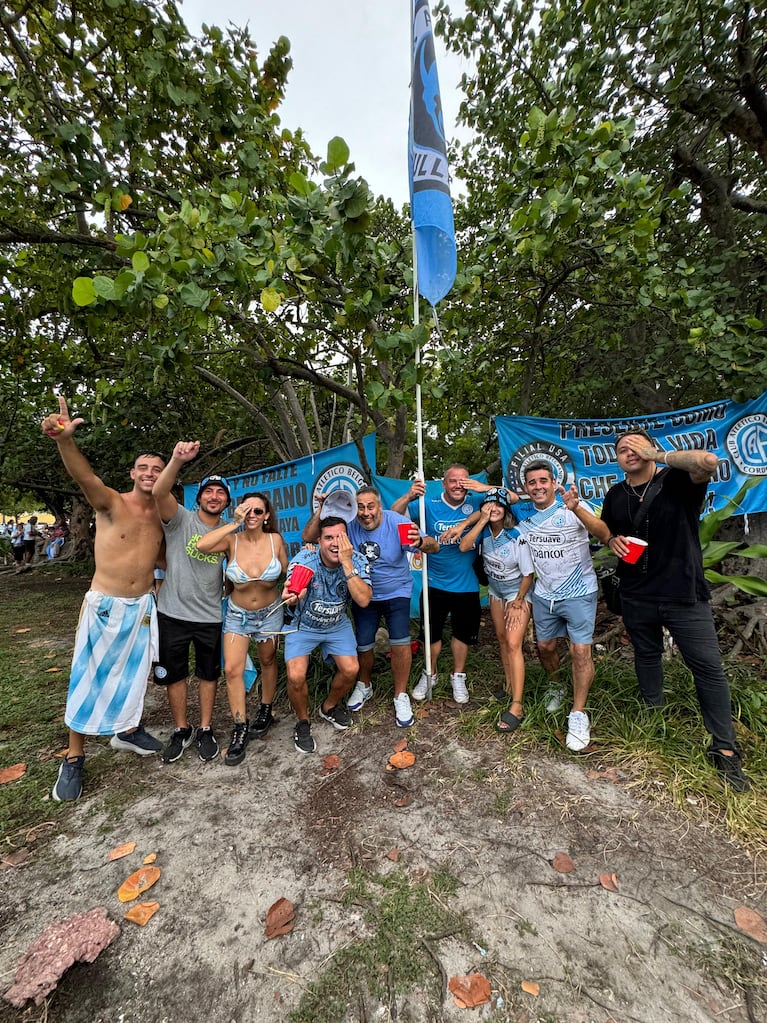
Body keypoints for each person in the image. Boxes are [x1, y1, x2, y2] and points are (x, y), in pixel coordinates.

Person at [602, 430, 750, 792]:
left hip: (684, 593)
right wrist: (611, 539)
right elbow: (608, 530)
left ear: (649, 449)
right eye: (623, 449)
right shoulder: (616, 495)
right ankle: (654, 716)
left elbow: (708, 462)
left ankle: (725, 749)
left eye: (635, 446)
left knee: (708, 668)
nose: (629, 452)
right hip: (637, 593)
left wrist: (656, 453)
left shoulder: (678, 480)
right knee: (647, 656)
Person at [41, 394, 166, 802]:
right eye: (144, 467)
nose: (150, 473)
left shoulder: (165, 517)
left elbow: (166, 556)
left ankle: (127, 730)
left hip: (142, 608)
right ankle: (74, 757)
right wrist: (64, 441)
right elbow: (85, 477)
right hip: (105, 605)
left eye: (157, 469)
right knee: (87, 678)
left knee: (136, 676)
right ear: (132, 473)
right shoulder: (112, 502)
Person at [302, 485, 439, 728]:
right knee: (363, 643)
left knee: (400, 642)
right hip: (363, 592)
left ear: (380, 506)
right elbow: (310, 537)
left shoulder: (397, 523)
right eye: (361, 507)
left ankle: (400, 694)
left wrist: (421, 541)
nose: (366, 512)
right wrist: (322, 507)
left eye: (371, 506)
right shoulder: (350, 525)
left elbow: (433, 547)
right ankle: (365, 685)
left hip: (396, 592)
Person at [518, 461, 610, 752]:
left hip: (580, 592)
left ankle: (578, 713)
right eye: (531, 482)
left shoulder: (573, 507)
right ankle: (556, 685)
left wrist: (576, 508)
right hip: (545, 595)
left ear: (553, 481)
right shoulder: (524, 516)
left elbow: (605, 533)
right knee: (544, 648)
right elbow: (496, 497)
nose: (538, 487)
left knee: (580, 651)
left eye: (543, 481)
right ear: (526, 488)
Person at [152, 443, 231, 765]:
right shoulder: (179, 519)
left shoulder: (230, 531)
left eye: (220, 493)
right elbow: (159, 492)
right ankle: (181, 728)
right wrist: (176, 460)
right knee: (175, 675)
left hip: (210, 614)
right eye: (208, 492)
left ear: (227, 500)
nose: (214, 496)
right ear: (198, 497)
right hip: (172, 612)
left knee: (209, 674)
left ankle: (206, 728)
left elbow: (239, 568)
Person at [196, 491, 288, 765]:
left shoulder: (276, 540)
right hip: (238, 615)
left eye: (258, 511)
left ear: (267, 516)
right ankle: (240, 726)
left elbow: (287, 571)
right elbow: (201, 546)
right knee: (232, 669)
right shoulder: (230, 539)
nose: (252, 515)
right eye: (246, 510)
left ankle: (265, 709)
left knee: (268, 661)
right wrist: (231, 523)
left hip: (271, 613)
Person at [392, 465, 492, 703]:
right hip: (434, 583)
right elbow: (394, 515)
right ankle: (431, 674)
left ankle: (458, 676)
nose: (458, 485)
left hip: (467, 585)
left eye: (463, 481)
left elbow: (509, 498)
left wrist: (483, 488)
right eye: (453, 481)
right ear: (444, 484)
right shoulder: (429, 504)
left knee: (462, 634)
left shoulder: (478, 502)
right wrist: (408, 495)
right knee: (431, 635)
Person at [282, 516, 371, 754]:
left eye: (339, 537)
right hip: (304, 624)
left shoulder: (358, 560)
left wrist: (347, 563)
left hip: (336, 624)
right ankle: (302, 721)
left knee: (351, 669)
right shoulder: (305, 559)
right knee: (296, 675)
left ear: (348, 540)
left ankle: (329, 707)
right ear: (319, 540)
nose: (334, 543)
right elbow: (291, 588)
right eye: (328, 538)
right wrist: (292, 595)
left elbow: (363, 599)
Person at [459, 488, 534, 732]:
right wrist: (481, 520)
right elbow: (464, 546)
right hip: (495, 591)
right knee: (502, 640)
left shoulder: (516, 535)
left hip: (516, 592)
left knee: (513, 644)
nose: (493, 509)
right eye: (489, 505)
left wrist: (518, 601)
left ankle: (517, 704)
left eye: (498, 506)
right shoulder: (484, 532)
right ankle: (509, 684)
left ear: (506, 510)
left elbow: (528, 574)